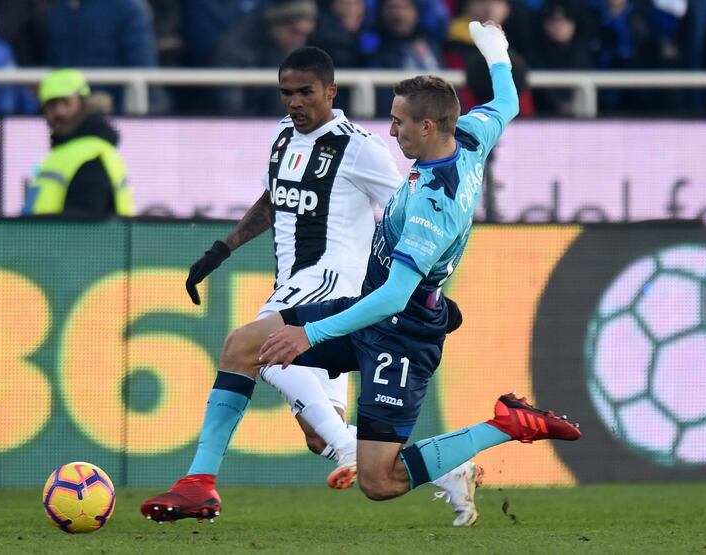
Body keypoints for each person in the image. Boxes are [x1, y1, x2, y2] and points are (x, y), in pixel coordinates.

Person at [140, 23, 582, 523]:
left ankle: (506, 425)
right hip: (372, 308)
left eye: (399, 123)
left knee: (380, 480)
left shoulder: (429, 208)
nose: (390, 131)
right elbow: (508, 102)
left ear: (429, 127)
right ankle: (199, 483)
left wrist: (309, 333)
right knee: (245, 345)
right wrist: (495, 48)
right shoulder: (472, 136)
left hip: (402, 331)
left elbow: (395, 298)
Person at [179, 46, 482, 527]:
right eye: (286, 92)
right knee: (319, 436)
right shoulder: (282, 136)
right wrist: (224, 247)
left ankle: (198, 483)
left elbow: (408, 207)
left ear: (330, 92)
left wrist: (421, 287)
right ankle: (447, 469)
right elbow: (274, 197)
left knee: (256, 347)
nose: (294, 102)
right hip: (294, 281)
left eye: (305, 92)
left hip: (333, 283)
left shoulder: (359, 146)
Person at [22, 69, 135, 216]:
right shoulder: (67, 153)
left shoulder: (90, 156)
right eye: (51, 106)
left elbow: (83, 229)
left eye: (66, 103)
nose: (59, 112)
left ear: (83, 103)